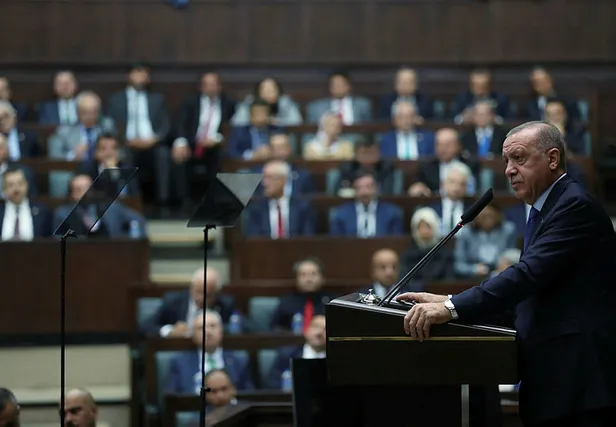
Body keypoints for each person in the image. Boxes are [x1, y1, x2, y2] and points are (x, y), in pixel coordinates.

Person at [398, 121, 616, 427]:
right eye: (506, 161)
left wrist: (452, 307)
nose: (509, 170)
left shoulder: (573, 206)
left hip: (581, 384)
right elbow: (530, 296)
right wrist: (450, 300)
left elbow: (527, 276)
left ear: (553, 159)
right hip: (557, 384)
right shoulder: (546, 208)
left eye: (519, 158)